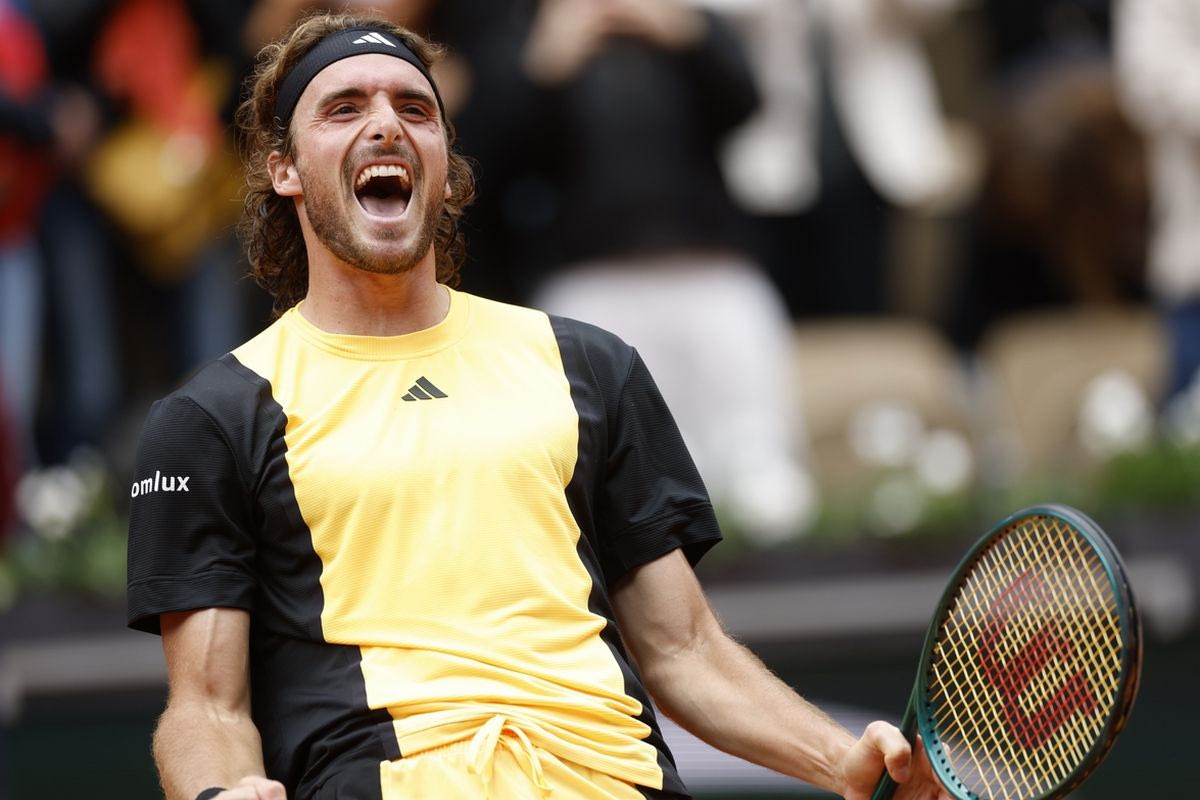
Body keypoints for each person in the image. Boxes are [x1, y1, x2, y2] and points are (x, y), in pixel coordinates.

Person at [125, 12, 951, 800]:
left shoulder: (586, 364)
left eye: (415, 108)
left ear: (446, 165)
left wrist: (840, 759)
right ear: (284, 170)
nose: (386, 126)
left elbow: (685, 648)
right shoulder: (216, 417)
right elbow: (207, 708)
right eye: (344, 109)